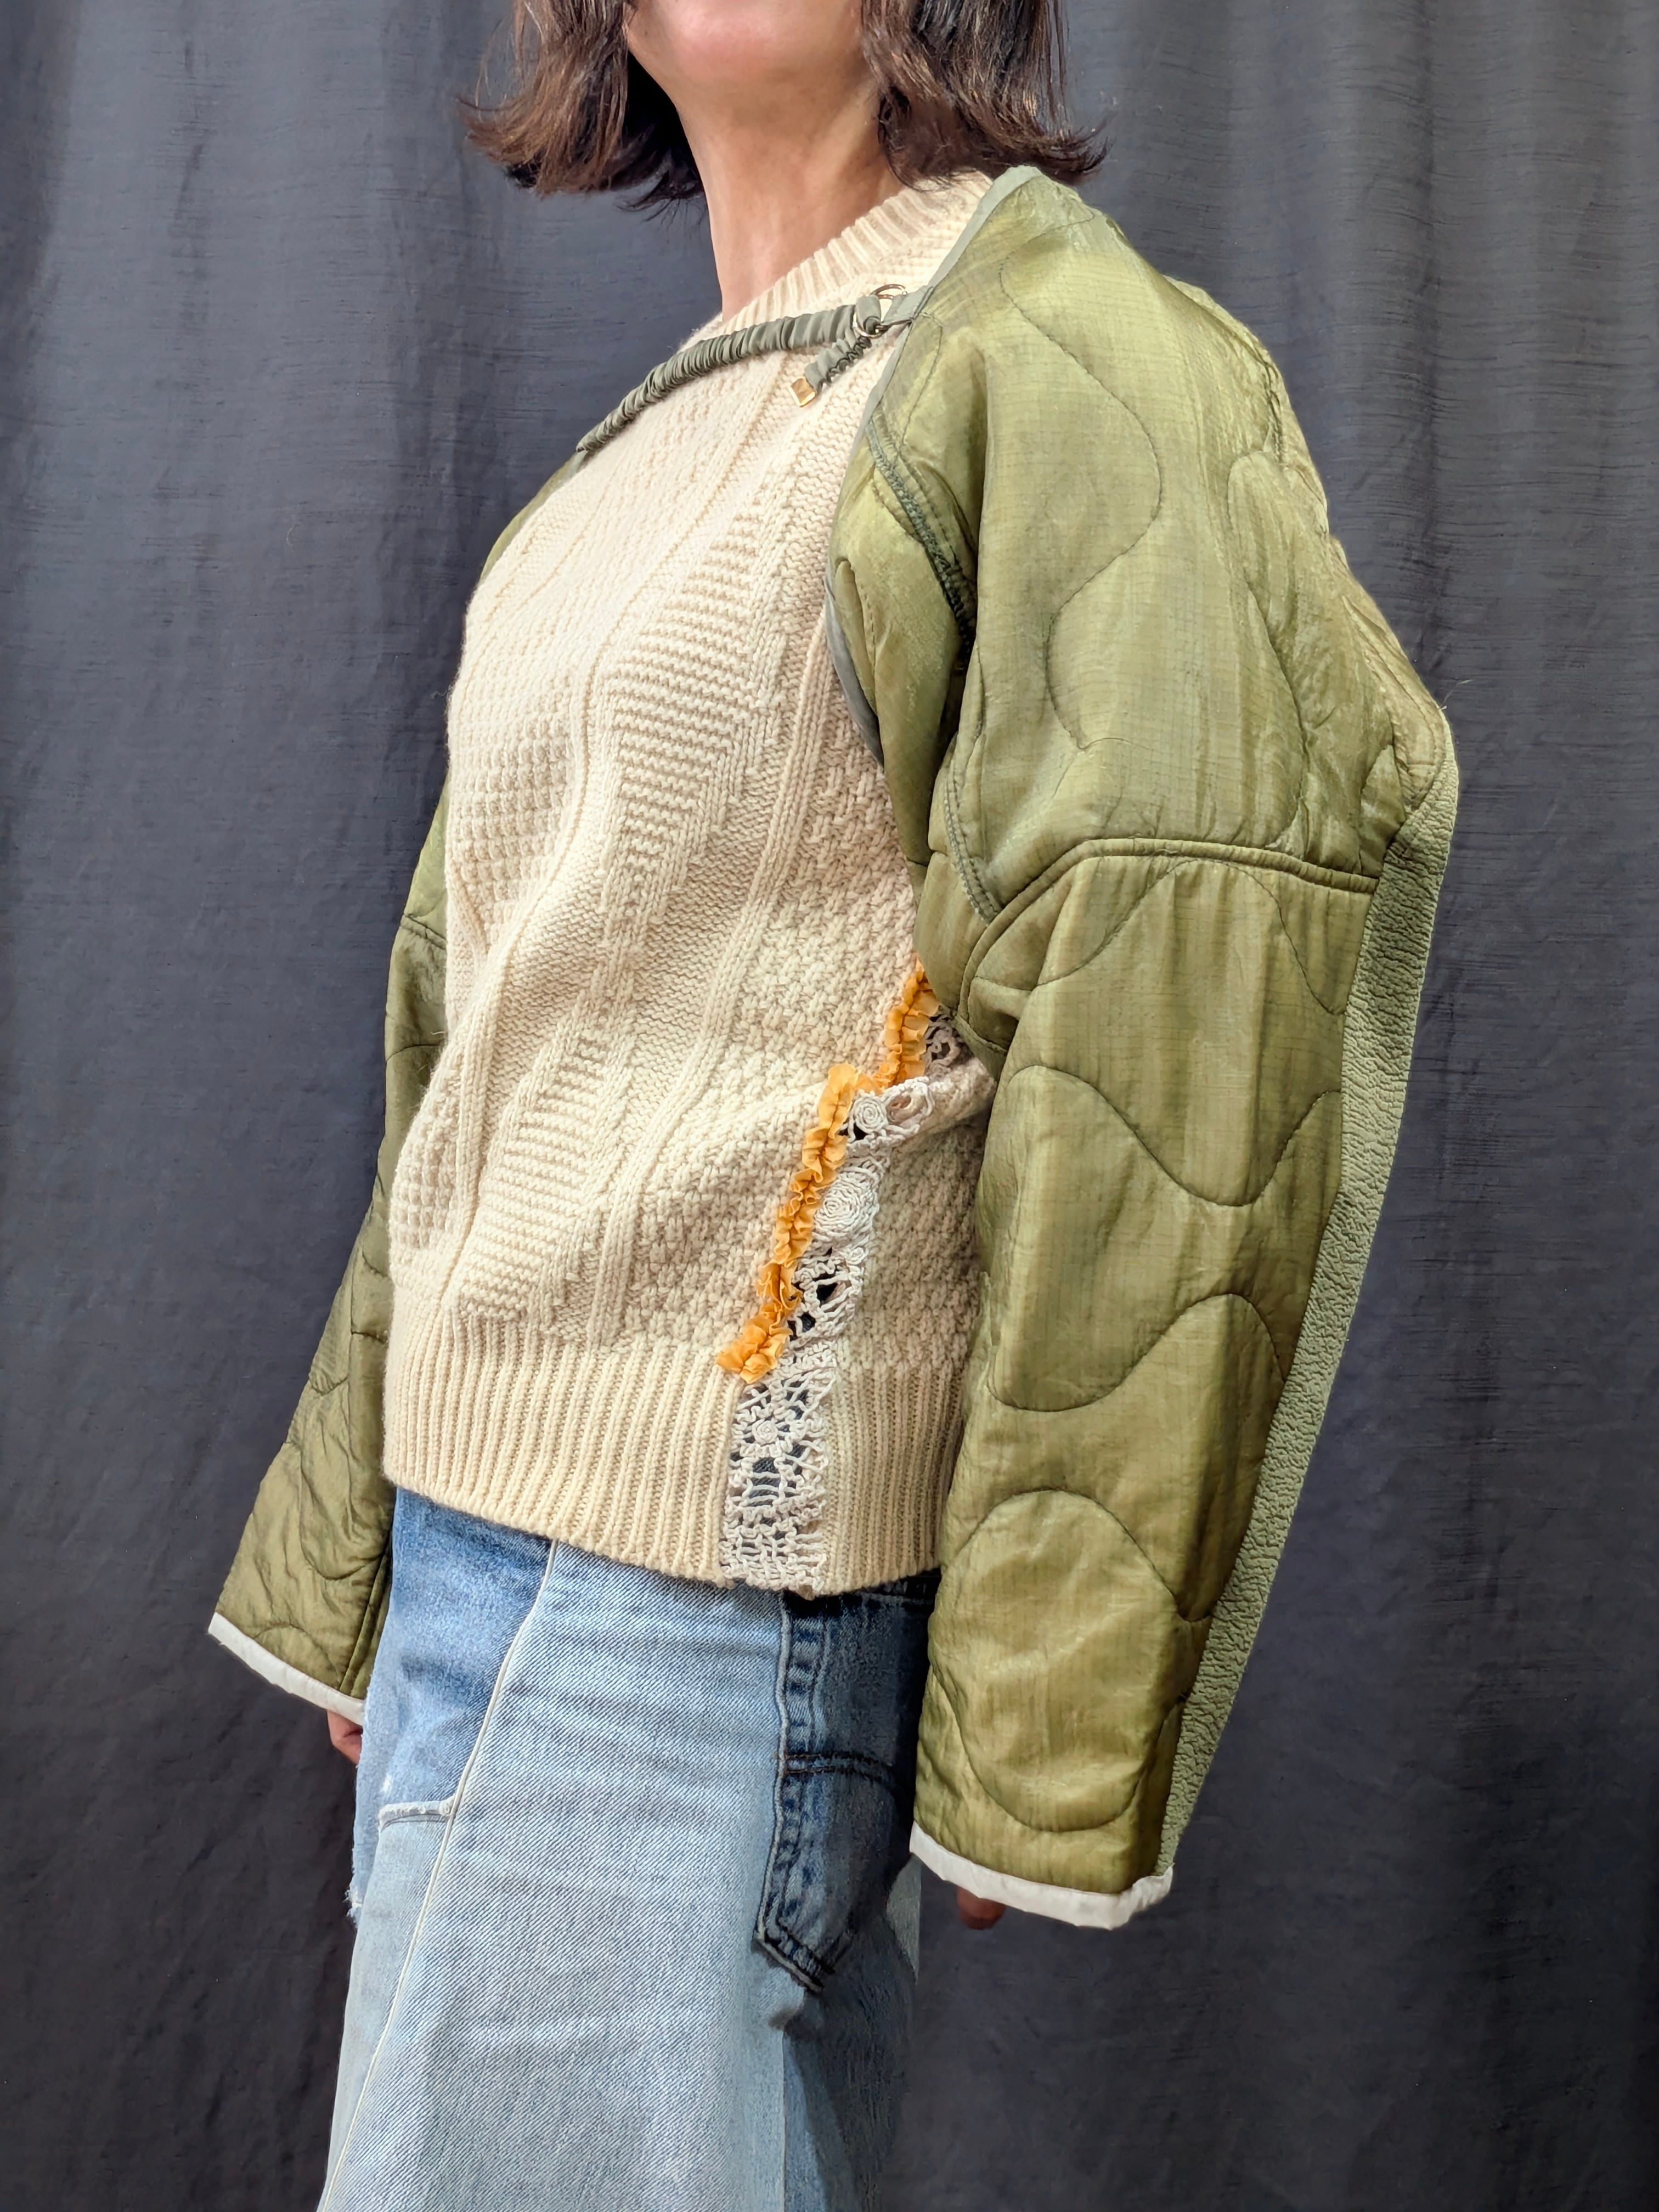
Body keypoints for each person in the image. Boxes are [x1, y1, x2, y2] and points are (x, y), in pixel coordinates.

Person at [208, 1, 1457, 2204]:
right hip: (490, 1599)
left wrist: (1041, 1725)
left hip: (681, 1629)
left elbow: (1173, 1027)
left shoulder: (1058, 360)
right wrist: (371, 1563)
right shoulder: (661, 441)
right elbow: (484, 1040)